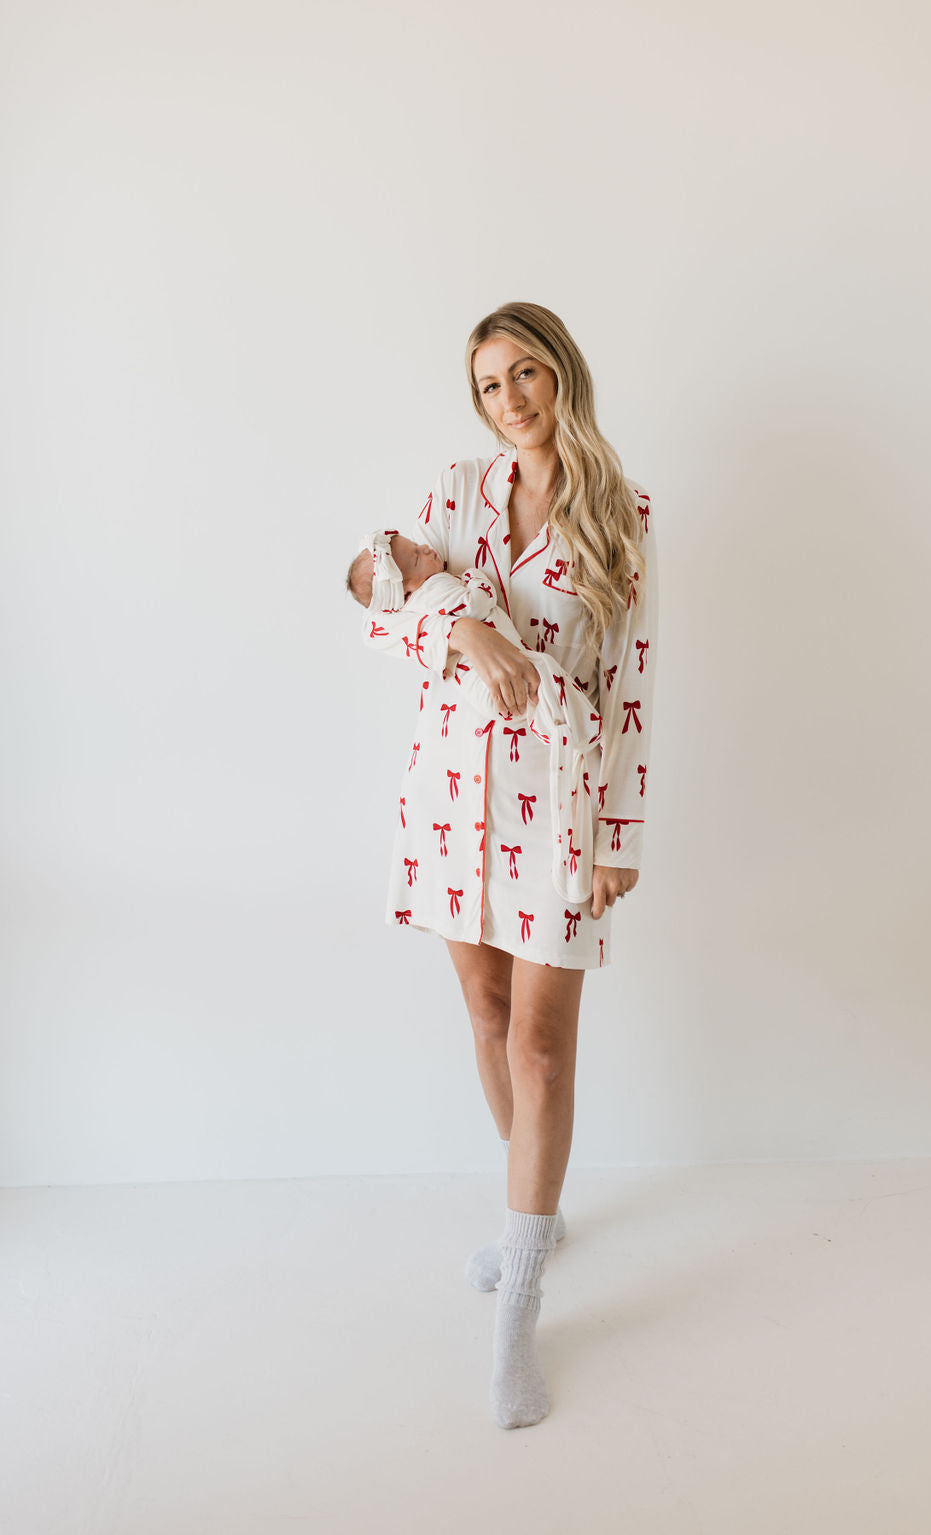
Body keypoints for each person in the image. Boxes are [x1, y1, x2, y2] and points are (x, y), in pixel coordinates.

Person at [354, 302, 657, 1429]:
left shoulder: (622, 512)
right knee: (486, 1016)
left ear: (562, 374)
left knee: (540, 1040)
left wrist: (620, 835)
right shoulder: (454, 490)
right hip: (448, 795)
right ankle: (538, 1206)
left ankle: (518, 1305)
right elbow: (367, 590)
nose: (512, 398)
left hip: (559, 807)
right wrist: (461, 625)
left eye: (527, 372)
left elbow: (631, 678)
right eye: (490, 383)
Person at [346, 529, 604, 901]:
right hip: (489, 685)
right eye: (417, 557)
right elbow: (478, 604)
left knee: (544, 703)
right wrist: (474, 584)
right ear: (404, 591)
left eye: (417, 546)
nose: (426, 547)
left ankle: (575, 735)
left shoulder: (418, 601)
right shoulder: (438, 590)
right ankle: (587, 734)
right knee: (546, 681)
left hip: (481, 700)